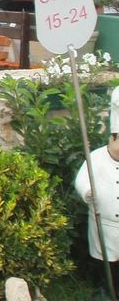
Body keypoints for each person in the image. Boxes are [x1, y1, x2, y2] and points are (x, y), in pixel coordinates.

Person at [75, 88, 119, 293]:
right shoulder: (97, 158)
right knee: (106, 260)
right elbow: (82, 179)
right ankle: (105, 288)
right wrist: (87, 191)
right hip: (104, 223)